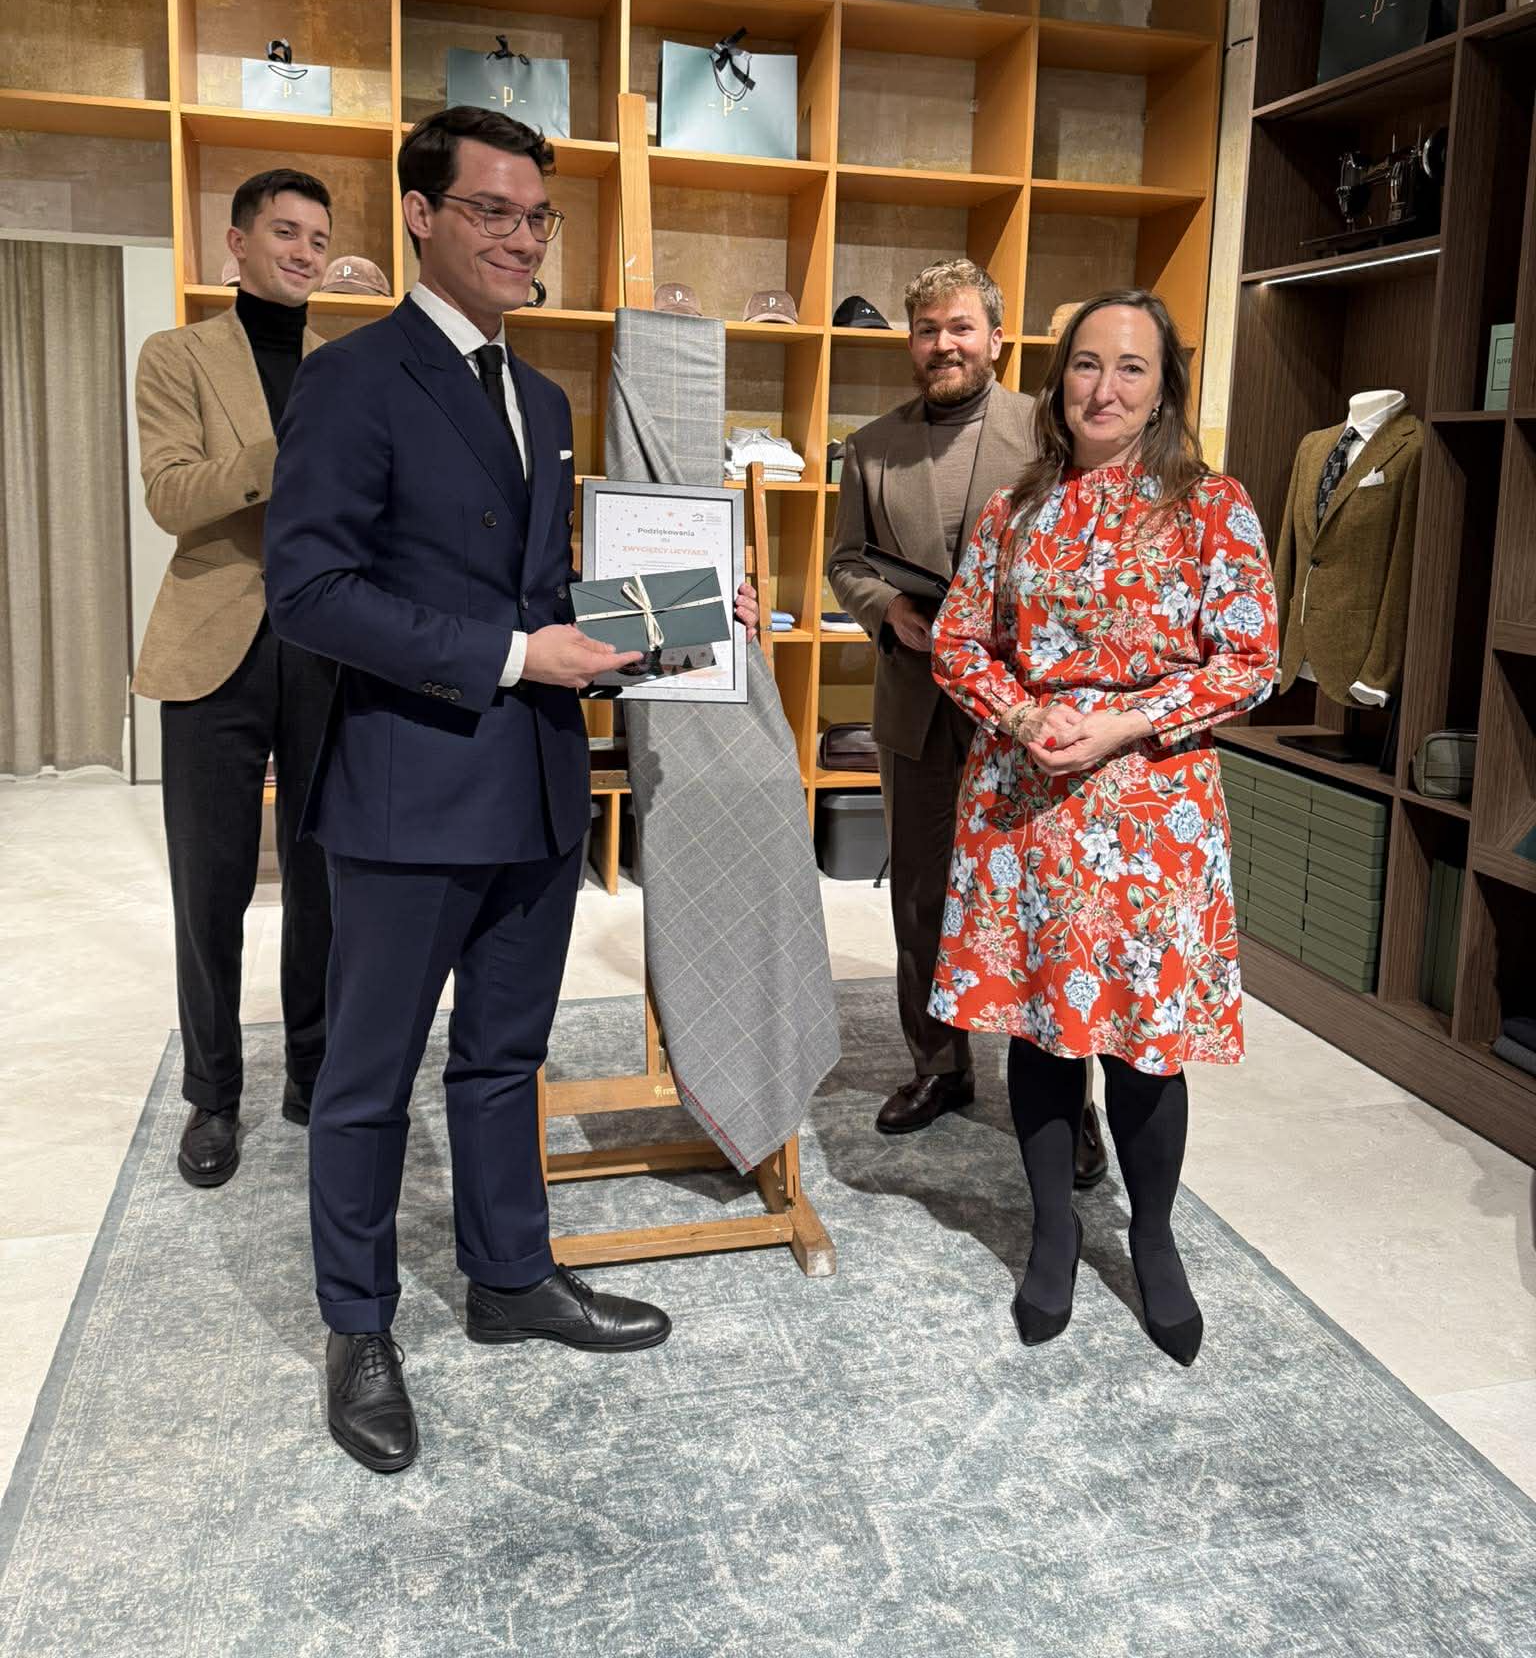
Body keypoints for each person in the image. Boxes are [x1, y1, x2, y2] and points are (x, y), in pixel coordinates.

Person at [264, 107, 757, 1473]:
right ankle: (358, 1325)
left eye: (537, 215)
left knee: (504, 1057)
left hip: (536, 783)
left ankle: (509, 1275)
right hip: (406, 790)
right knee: (368, 1077)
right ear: (419, 214)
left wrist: (682, 614)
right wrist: (511, 655)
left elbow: (543, 603)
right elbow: (309, 592)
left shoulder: (539, 399)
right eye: (492, 209)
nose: (522, 237)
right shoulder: (353, 379)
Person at [928, 290, 1279, 1366]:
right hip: (1027, 802)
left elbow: (1251, 660)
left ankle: (1153, 1237)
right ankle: (1053, 1230)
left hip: (1152, 811)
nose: (1105, 388)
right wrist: (1025, 714)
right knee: (1041, 1030)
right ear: (1058, 378)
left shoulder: (1212, 505)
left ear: (1165, 387)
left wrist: (1126, 720)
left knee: (1145, 1040)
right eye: (1086, 364)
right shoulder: (1013, 509)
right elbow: (957, 642)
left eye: (1132, 367)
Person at [828, 260, 1107, 1186]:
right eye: (926, 331)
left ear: (995, 336)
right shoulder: (871, 447)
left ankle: (1069, 1102)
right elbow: (845, 561)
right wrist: (889, 613)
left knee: (1047, 907)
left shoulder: (1053, 428)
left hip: (1027, 710)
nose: (942, 346)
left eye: (959, 328)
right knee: (920, 898)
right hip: (917, 703)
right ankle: (940, 1067)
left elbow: (1091, 546)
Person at [133, 168, 337, 1188]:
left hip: (327, 642)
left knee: (323, 872)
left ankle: (313, 1067)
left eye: (319, 239)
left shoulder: (345, 366)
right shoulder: (176, 355)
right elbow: (171, 495)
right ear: (238, 242)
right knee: (209, 883)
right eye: (286, 232)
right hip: (214, 639)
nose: (305, 253)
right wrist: (281, 449)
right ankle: (213, 1093)